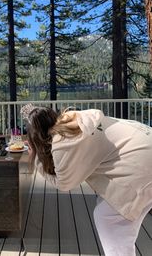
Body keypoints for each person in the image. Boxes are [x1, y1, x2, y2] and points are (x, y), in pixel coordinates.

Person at [20, 104, 152, 256]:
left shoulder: (62, 142)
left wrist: (36, 158)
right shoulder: (74, 119)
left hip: (143, 164)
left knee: (108, 218)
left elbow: (64, 183)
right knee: (111, 209)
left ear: (35, 136)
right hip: (144, 143)